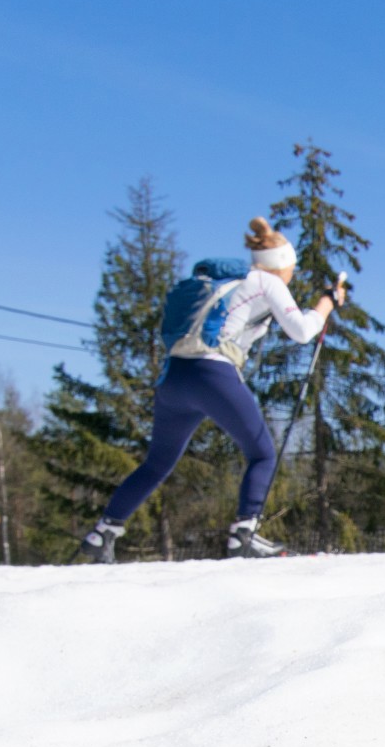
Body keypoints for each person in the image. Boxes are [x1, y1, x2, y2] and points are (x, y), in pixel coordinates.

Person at [78, 218, 345, 562]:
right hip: (212, 374)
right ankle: (243, 535)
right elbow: (302, 331)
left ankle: (104, 532)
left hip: (174, 377)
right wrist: (327, 302)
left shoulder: (228, 281)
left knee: (157, 462)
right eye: (292, 268)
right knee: (262, 452)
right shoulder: (268, 282)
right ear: (283, 265)